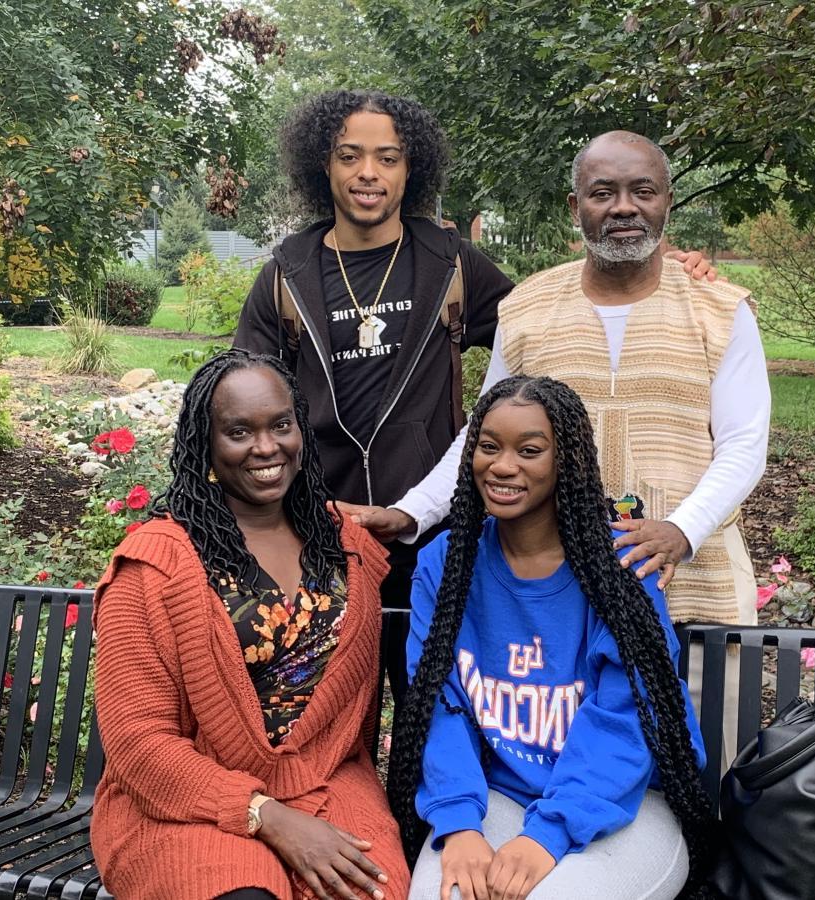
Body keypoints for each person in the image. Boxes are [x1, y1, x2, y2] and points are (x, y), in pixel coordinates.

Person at [234, 92, 717, 693]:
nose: (368, 173)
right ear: (322, 165)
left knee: (431, 707)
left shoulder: (449, 264)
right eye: (349, 156)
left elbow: (553, 320)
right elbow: (242, 400)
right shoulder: (288, 271)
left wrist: (656, 262)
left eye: (388, 158)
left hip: (431, 538)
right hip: (317, 532)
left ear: (412, 171)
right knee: (320, 708)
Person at [361, 131, 770, 714]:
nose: (624, 206)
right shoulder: (528, 308)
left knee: (703, 772)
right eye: (603, 192)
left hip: (695, 593)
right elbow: (483, 433)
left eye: (643, 190)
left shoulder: (718, 310)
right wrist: (410, 513)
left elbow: (745, 443)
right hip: (559, 597)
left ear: (666, 202)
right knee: (568, 766)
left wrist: (680, 530)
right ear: (575, 208)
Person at [91, 349, 409, 900]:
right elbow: (138, 744)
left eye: (280, 425)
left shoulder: (346, 546)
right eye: (239, 431)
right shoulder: (155, 566)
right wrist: (267, 815)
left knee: (365, 890)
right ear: (207, 444)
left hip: (327, 780)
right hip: (183, 801)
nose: (266, 447)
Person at [387, 375, 713, 900]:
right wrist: (459, 823)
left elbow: (625, 721)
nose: (503, 466)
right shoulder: (445, 563)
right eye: (489, 447)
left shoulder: (620, 567)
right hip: (495, 797)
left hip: (622, 805)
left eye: (530, 450)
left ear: (568, 462)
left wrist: (549, 833)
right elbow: (439, 703)